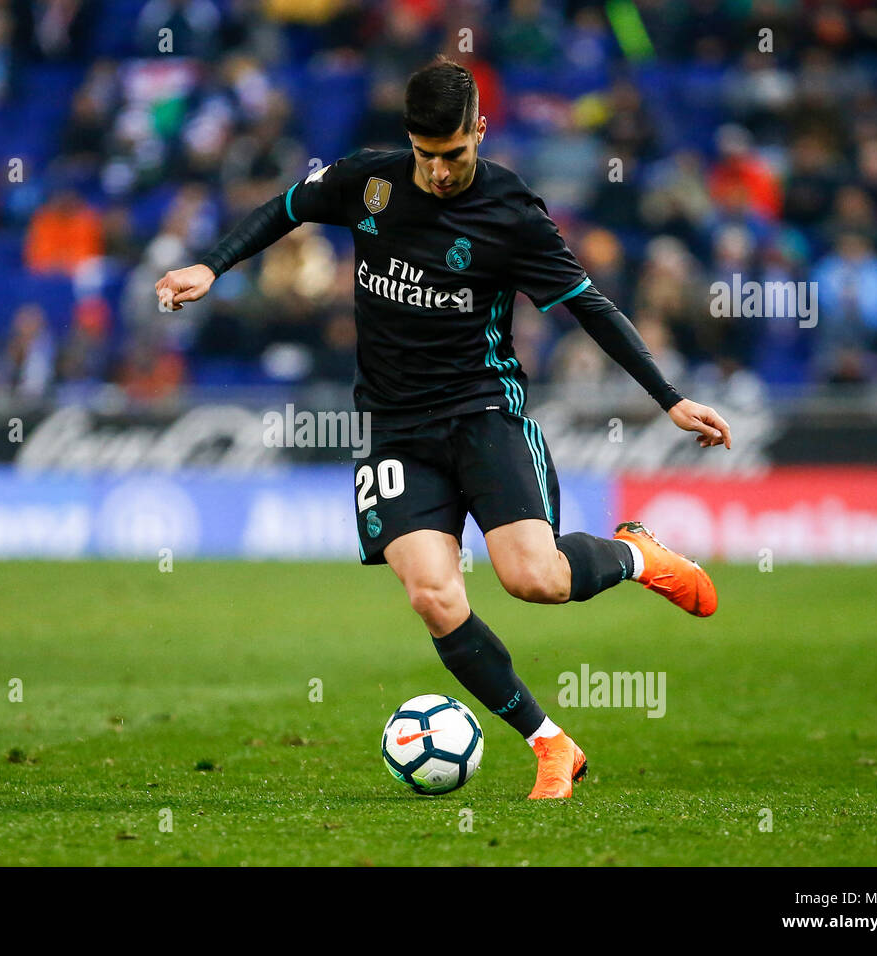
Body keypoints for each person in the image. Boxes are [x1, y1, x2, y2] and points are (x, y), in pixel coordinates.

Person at [155, 56, 732, 800]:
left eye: (453, 155)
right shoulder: (370, 182)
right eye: (425, 156)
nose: (438, 171)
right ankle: (551, 744)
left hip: (483, 412)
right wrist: (213, 266)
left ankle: (633, 554)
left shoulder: (511, 212)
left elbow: (590, 306)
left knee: (536, 579)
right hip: (395, 429)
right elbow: (288, 207)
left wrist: (670, 398)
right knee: (433, 595)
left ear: (479, 133)